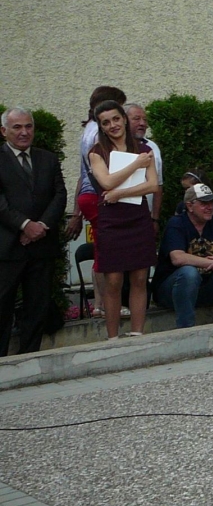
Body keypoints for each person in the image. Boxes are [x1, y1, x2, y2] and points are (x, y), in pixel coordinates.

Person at [87, 100, 159, 337]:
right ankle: (113, 337)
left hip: (138, 217)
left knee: (140, 277)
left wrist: (121, 193)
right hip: (111, 221)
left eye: (116, 119)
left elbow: (152, 185)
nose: (113, 125)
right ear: (101, 126)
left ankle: (137, 333)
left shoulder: (143, 148)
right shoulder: (97, 152)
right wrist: (137, 164)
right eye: (106, 122)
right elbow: (106, 182)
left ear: (124, 119)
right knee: (113, 280)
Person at [0, 107, 67, 355]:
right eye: (17, 127)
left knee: (37, 308)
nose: (24, 132)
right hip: (7, 248)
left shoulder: (47, 159)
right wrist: (25, 225)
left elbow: (60, 195)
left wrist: (41, 226)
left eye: (28, 126)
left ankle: (29, 360)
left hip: (42, 247)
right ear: (3, 131)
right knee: (2, 308)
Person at [64, 85, 126, 320]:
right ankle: (107, 304)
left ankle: (101, 304)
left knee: (102, 248)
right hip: (99, 194)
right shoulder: (97, 134)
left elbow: (82, 174)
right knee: (109, 251)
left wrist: (76, 211)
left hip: (88, 195)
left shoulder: (88, 130)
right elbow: (102, 171)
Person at [153, 183, 213, 327]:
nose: (210, 207)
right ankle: (186, 328)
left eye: (211, 202)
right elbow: (177, 258)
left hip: (207, 288)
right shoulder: (176, 224)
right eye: (204, 203)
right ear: (190, 206)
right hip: (173, 292)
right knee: (189, 273)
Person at [126, 103, 163, 232]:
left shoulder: (152, 147)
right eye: (136, 119)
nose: (142, 123)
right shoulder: (114, 148)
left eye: (145, 120)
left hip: (145, 216)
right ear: (124, 120)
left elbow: (158, 185)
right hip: (121, 215)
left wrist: (155, 218)